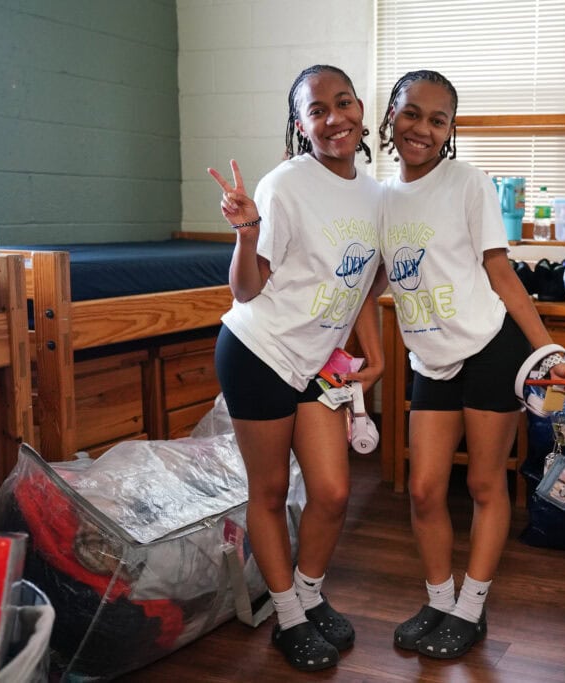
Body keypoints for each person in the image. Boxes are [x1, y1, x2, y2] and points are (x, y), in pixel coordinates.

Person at [376, 69, 565, 659]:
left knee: (486, 483)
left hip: (491, 346)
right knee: (422, 488)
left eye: (438, 119)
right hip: (432, 356)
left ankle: (471, 608)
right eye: (412, 112)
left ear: (450, 130)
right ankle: (439, 599)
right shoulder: (381, 198)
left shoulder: (468, 184)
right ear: (392, 114)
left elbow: (500, 273)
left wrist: (546, 349)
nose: (422, 128)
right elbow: (374, 277)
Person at [207, 64, 384, 673]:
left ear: (361, 107)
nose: (334, 118)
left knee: (333, 492)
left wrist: (375, 349)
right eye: (317, 110)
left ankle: (308, 595)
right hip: (259, 351)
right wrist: (245, 231)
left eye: (343, 103)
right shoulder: (285, 183)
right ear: (300, 124)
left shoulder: (373, 192)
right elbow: (247, 290)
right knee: (273, 489)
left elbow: (364, 281)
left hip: (317, 361)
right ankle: (286, 617)